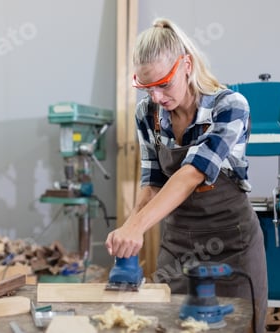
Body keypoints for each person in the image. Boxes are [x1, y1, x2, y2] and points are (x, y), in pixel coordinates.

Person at [105, 18, 268, 333]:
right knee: (170, 326)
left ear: (187, 65)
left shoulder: (230, 107)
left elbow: (192, 173)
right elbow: (153, 180)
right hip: (178, 247)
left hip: (232, 246)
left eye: (164, 84)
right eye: (146, 87)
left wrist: (137, 226)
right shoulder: (147, 115)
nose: (156, 97)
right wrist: (128, 229)